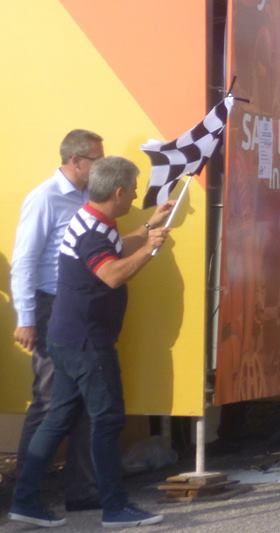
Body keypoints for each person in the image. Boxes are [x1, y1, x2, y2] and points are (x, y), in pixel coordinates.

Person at [10, 157, 174, 529]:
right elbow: (111, 273)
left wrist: (149, 227)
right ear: (118, 192)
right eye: (133, 189)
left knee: (58, 419)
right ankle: (114, 507)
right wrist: (149, 250)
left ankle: (25, 500)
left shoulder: (93, 219)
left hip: (69, 338)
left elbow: (115, 247)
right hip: (87, 343)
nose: (136, 195)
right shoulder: (92, 232)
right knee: (108, 419)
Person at [10, 130, 104, 513]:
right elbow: (24, 261)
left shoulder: (89, 197)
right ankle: (24, 493)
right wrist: (26, 318)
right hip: (50, 306)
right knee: (50, 399)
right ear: (76, 161)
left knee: (86, 397)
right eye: (97, 159)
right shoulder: (44, 198)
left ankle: (81, 491)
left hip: (81, 307)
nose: (101, 165)